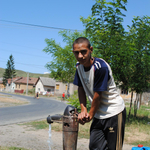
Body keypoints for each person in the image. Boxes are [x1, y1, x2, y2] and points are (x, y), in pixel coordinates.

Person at [72, 37, 126, 150]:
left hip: (114, 112)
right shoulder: (78, 67)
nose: (80, 56)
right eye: (76, 53)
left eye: (83, 52)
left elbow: (97, 96)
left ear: (90, 49)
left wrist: (90, 115)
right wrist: (83, 110)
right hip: (98, 113)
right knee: (94, 147)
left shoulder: (100, 67)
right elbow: (81, 88)